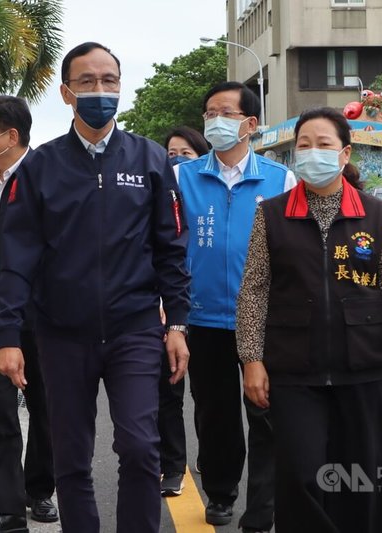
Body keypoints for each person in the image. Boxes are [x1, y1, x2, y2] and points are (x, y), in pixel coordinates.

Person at [0, 42, 191, 533]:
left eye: (109, 81)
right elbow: (16, 258)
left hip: (136, 329)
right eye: (87, 82)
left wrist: (178, 323)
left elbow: (171, 248)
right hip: (61, 333)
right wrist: (8, 336)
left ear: (120, 87)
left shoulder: (150, 159)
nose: (100, 91)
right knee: (71, 456)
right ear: (66, 93)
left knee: (142, 448)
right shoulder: (39, 166)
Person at [236, 106, 382, 533]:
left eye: (323, 145)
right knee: (301, 477)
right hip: (294, 371)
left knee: (366, 478)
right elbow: (254, 289)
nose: (312, 153)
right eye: (303, 145)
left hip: (361, 367)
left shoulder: (374, 211)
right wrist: (251, 359)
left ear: (344, 154)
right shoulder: (270, 214)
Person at [176, 81, 296, 531]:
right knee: (214, 414)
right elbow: (169, 245)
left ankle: (261, 508)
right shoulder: (183, 177)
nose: (214, 121)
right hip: (204, 317)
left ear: (250, 123)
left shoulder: (281, 179)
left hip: (264, 319)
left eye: (225, 112)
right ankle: (222, 493)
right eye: (209, 113)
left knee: (265, 413)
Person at [0, 95, 57, 533]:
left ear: (11, 136)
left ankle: (39, 489)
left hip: (41, 319)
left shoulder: (51, 177)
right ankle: (6, 509)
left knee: (46, 410)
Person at [157, 125, 208, 497]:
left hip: (208, 312)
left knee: (208, 397)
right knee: (169, 392)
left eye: (185, 154)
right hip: (169, 310)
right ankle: (173, 466)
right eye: (170, 154)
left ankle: (213, 456)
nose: (176, 161)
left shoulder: (208, 196)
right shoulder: (159, 196)